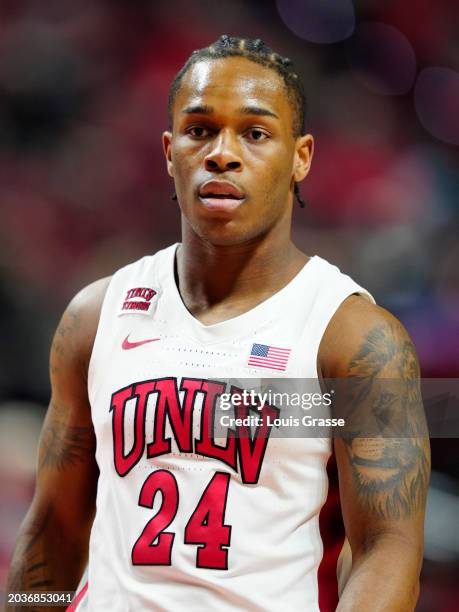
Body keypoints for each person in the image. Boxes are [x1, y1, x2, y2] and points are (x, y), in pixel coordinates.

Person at [7, 35, 430, 611]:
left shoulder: (353, 337)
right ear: (168, 150)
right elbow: (54, 531)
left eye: (254, 134)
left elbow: (388, 549)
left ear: (301, 156)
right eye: (199, 129)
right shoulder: (95, 315)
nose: (221, 154)